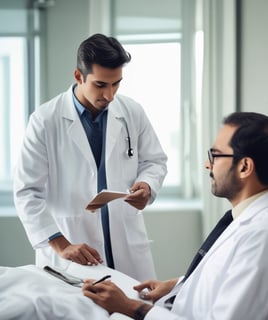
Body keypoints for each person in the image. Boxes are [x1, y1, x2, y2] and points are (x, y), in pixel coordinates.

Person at [82, 112, 268, 320]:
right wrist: (179, 285)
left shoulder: (267, 237)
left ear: (244, 167)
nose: (206, 164)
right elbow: (229, 281)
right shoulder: (249, 220)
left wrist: (130, 307)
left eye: (214, 155)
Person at [13, 33, 167, 281]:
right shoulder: (45, 120)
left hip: (126, 246)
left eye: (116, 83)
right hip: (72, 248)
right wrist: (61, 244)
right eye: (100, 85)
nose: (110, 95)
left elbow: (155, 161)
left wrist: (147, 185)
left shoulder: (132, 112)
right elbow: (27, 191)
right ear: (78, 76)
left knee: (135, 311)